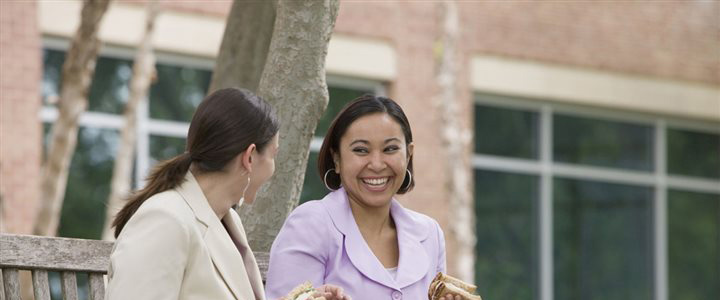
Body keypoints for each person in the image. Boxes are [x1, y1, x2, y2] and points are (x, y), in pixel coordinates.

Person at [106, 88, 347, 300]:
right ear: (250, 157)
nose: (274, 168)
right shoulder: (165, 219)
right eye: (273, 156)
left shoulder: (227, 222)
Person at [265, 95, 462, 300]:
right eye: (361, 150)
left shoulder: (430, 234)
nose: (377, 164)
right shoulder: (310, 225)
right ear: (337, 159)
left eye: (390, 149)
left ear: (409, 154)